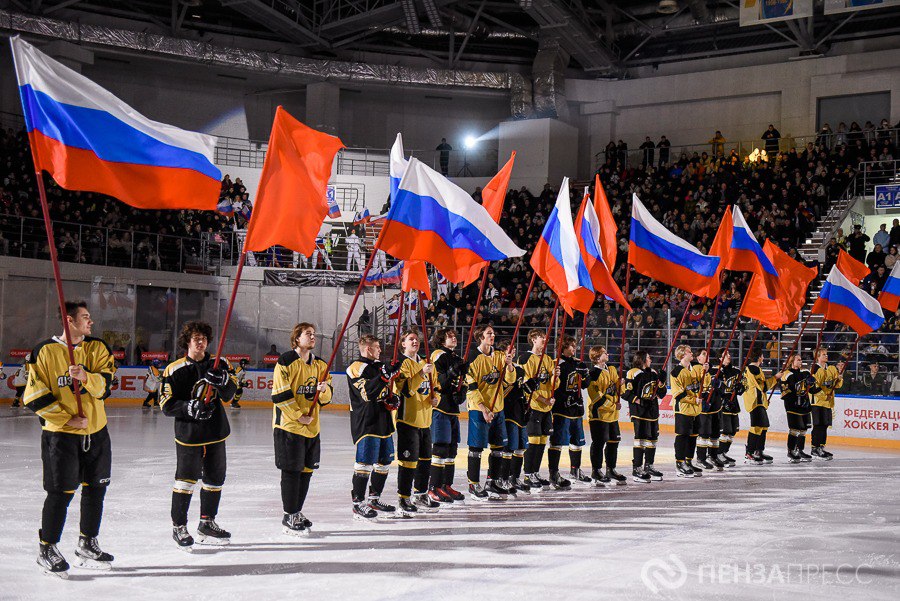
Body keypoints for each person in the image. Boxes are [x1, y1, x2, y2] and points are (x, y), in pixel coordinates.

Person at [24, 301, 116, 576]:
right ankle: (47, 548)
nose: (91, 322)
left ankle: (87, 543)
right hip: (61, 436)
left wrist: (86, 376)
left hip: (97, 432)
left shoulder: (98, 348)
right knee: (60, 492)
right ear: (69, 320)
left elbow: (105, 386)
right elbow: (34, 395)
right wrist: (67, 419)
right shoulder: (44, 351)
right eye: (85, 317)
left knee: (96, 489)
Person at [161, 321, 237, 549]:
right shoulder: (174, 369)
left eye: (203, 338)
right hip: (189, 435)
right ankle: (179, 526)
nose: (201, 342)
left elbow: (230, 394)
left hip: (215, 432)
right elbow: (166, 404)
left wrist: (223, 382)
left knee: (215, 479)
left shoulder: (220, 363)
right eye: (196, 338)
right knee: (185, 481)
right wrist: (188, 408)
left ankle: (207, 523)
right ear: (187, 341)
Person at [271, 323, 333, 534]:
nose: (313, 337)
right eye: (308, 334)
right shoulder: (286, 361)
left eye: (314, 334)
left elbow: (327, 398)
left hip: (312, 428)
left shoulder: (321, 365)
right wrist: (299, 415)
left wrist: (323, 390)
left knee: (306, 471)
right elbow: (280, 395)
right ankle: (289, 514)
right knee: (291, 471)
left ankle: (296, 511)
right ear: (297, 338)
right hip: (289, 427)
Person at [346, 334, 401, 521]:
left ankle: (374, 499)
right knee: (365, 462)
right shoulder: (355, 367)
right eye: (377, 347)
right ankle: (358, 503)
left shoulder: (379, 366)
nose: (380, 350)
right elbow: (367, 393)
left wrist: (393, 399)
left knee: (384, 461)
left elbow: (385, 391)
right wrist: (384, 376)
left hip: (384, 421)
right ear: (368, 349)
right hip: (366, 422)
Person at [464, 325, 515, 500]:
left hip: (498, 408)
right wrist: (484, 409)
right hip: (479, 409)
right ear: (480, 337)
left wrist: (509, 365)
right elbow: (471, 388)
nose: (492, 336)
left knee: (498, 447)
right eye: (489, 333)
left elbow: (510, 380)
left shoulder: (500, 356)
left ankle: (492, 481)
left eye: (493, 333)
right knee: (476, 447)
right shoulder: (472, 358)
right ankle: (473, 483)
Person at [393, 329, 439, 514]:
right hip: (408, 420)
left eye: (417, 339)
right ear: (402, 343)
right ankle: (404, 497)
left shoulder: (426, 363)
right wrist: (421, 374)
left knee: (425, 460)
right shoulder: (401, 364)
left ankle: (421, 493)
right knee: (408, 462)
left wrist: (437, 399)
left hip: (426, 420)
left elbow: (436, 387)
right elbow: (405, 390)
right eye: (410, 339)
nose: (415, 341)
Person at [428, 328, 468, 503]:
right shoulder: (438, 355)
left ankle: (446, 485)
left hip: (453, 409)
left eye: (454, 336)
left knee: (452, 449)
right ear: (441, 340)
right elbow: (437, 381)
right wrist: (451, 372)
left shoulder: (457, 357)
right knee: (440, 448)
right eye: (449, 336)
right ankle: (434, 487)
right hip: (441, 407)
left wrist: (462, 392)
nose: (454, 338)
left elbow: (463, 380)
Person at [548, 336, 591, 487]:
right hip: (561, 409)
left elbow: (585, 385)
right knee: (557, 442)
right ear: (563, 348)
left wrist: (585, 374)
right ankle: (554, 473)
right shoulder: (556, 364)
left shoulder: (578, 363)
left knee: (577, 442)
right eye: (571, 346)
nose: (574, 348)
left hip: (576, 408)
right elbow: (553, 386)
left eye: (574, 345)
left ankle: (575, 470)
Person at [520, 329, 559, 491]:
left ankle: (535, 472)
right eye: (541, 337)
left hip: (546, 407)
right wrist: (543, 399)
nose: (544, 340)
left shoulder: (548, 359)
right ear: (533, 339)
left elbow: (554, 385)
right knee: (534, 440)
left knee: (543, 440)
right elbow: (527, 386)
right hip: (533, 406)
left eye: (545, 337)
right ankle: (528, 474)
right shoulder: (525, 358)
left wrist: (555, 376)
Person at [623, 351, 666, 483]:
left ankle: (649, 465)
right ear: (641, 359)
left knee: (653, 439)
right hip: (639, 412)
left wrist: (661, 382)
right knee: (640, 439)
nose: (650, 359)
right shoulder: (633, 373)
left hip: (652, 411)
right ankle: (637, 468)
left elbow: (661, 394)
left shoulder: (653, 372)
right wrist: (639, 401)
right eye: (648, 357)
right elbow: (625, 393)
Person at [586, 346, 626, 486]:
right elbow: (597, 398)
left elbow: (619, 390)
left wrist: (621, 384)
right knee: (599, 442)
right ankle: (596, 470)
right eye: (604, 352)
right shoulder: (593, 374)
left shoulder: (612, 369)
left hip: (613, 415)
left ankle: (611, 469)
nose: (607, 353)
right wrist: (613, 405)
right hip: (599, 414)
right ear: (597, 357)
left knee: (614, 441)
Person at [497, 340, 530, 493]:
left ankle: (514, 477)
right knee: (509, 447)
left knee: (521, 446)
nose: (512, 352)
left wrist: (530, 386)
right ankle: (503, 478)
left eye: (514, 349)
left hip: (520, 410)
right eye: (508, 350)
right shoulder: (500, 369)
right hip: (508, 411)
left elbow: (522, 384)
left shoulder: (519, 369)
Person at [671, 345, 703, 478]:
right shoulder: (676, 372)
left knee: (693, 436)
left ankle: (688, 461)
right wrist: (693, 400)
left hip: (695, 410)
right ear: (683, 354)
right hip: (683, 409)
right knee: (683, 435)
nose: (692, 353)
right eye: (689, 352)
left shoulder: (694, 369)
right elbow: (678, 394)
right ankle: (680, 463)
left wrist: (705, 372)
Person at [742, 348, 778, 465]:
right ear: (759, 357)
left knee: (764, 426)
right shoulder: (754, 369)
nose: (763, 358)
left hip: (757, 401)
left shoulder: (750, 369)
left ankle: (758, 451)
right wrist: (775, 378)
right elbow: (763, 387)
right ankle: (750, 452)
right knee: (757, 426)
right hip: (755, 402)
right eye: (762, 355)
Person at [780, 353, 818, 464]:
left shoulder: (805, 373)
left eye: (801, 360)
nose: (801, 362)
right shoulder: (786, 374)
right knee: (795, 429)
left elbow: (813, 390)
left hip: (805, 405)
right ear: (792, 361)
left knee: (803, 429)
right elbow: (784, 391)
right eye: (798, 360)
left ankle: (799, 450)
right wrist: (795, 400)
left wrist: (812, 383)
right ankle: (791, 451)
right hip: (792, 406)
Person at [811, 347, 844, 461]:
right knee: (818, 425)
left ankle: (821, 446)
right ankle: (815, 448)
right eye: (823, 354)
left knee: (825, 425)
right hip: (817, 402)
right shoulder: (814, 369)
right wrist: (825, 396)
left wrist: (839, 378)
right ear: (817, 357)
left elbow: (837, 385)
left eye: (826, 354)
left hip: (828, 402)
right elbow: (814, 387)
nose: (826, 356)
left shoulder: (831, 368)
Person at [716, 350, 744, 467]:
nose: (729, 355)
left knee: (732, 431)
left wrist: (740, 387)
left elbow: (742, 388)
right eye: (725, 354)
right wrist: (723, 400)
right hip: (723, 404)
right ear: (720, 358)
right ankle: (718, 454)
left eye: (729, 353)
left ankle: (724, 452)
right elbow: (715, 389)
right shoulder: (716, 371)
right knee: (725, 430)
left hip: (733, 404)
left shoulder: (736, 371)